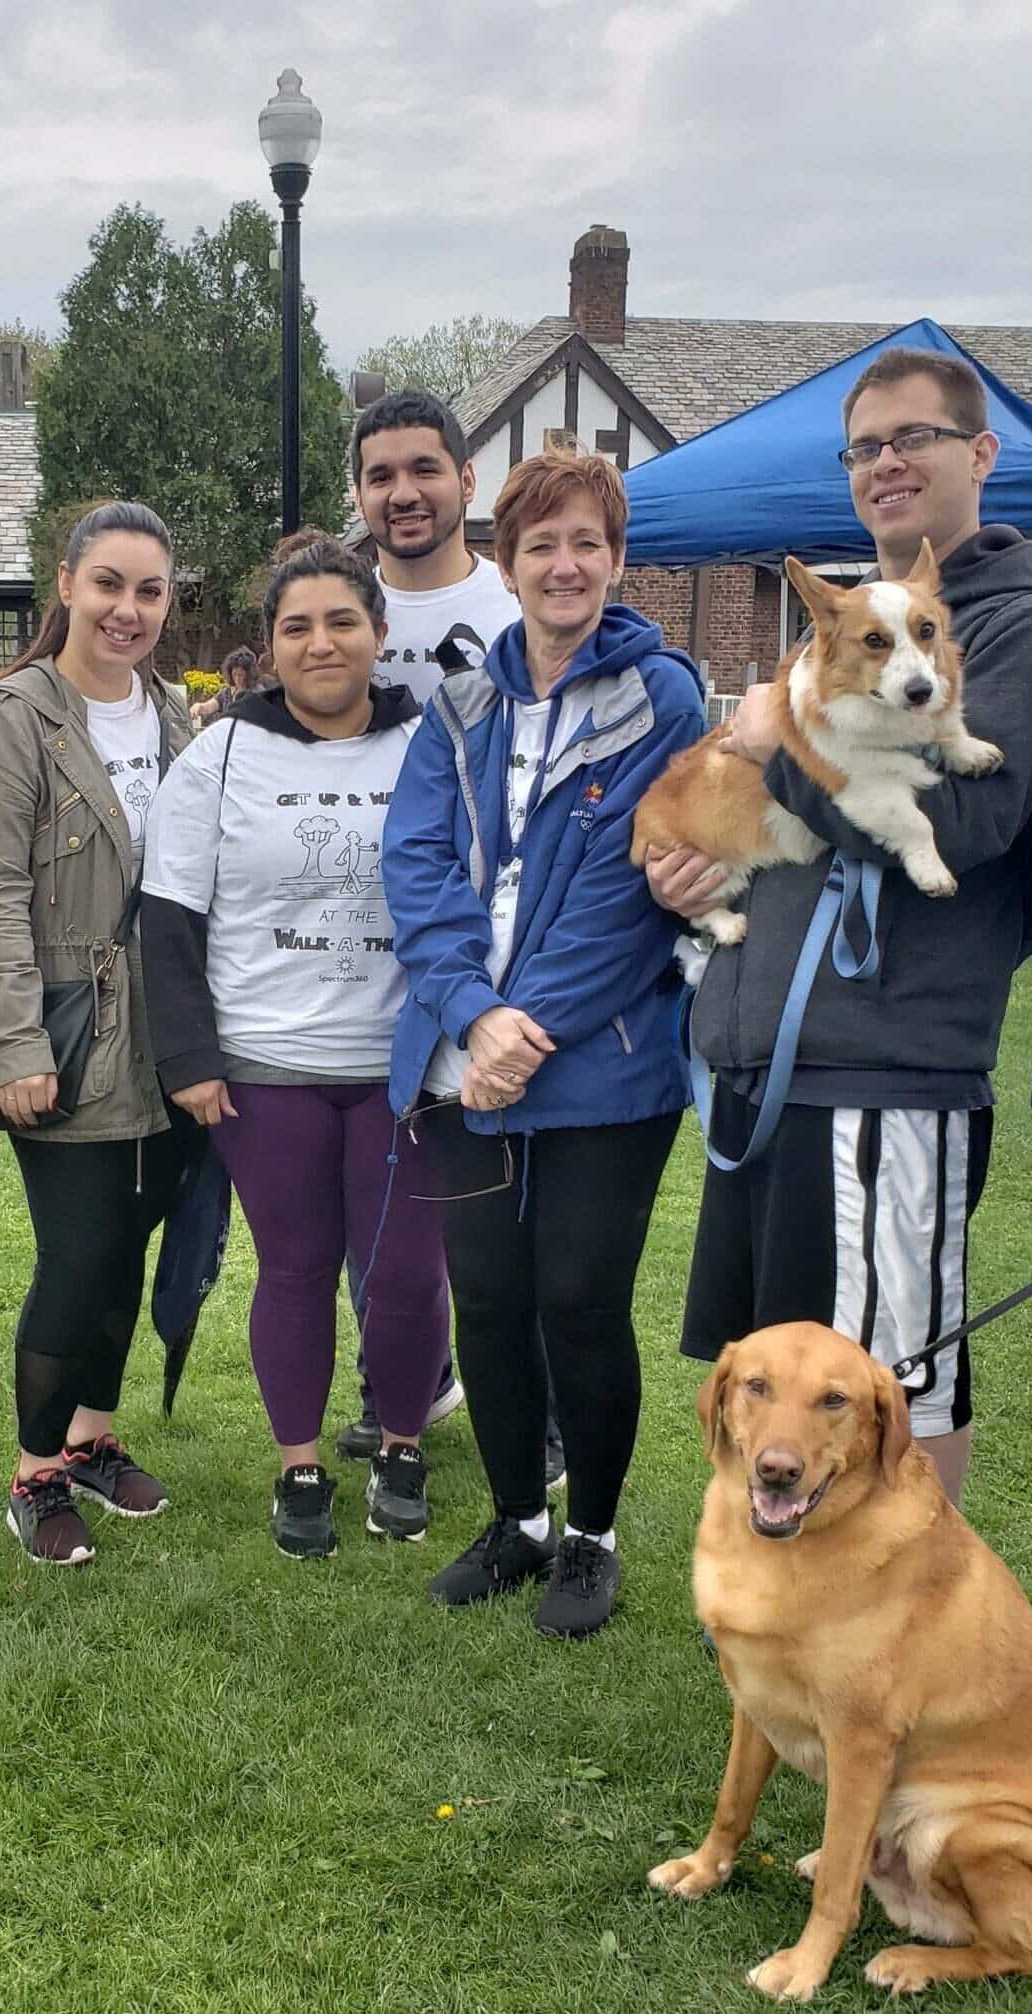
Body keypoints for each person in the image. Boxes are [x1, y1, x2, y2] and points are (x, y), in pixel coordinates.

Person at [649, 346, 1032, 1506]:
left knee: (890, 1382)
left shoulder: (1010, 619)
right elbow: (788, 806)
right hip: (781, 1052)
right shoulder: (853, 613)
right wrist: (701, 871)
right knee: (784, 1372)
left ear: (980, 453)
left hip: (886, 1060)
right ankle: (797, 1615)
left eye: (915, 438)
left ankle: (896, 1631)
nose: (887, 463)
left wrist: (765, 746)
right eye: (866, 445)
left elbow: (976, 816)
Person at [383, 449, 706, 1639]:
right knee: (488, 1292)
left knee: (577, 1297)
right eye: (540, 545)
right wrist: (471, 1009)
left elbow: (628, 889)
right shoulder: (461, 701)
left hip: (603, 1063)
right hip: (462, 1052)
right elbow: (414, 864)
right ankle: (518, 1516)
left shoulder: (661, 695)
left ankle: (593, 1533)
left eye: (586, 543)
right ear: (508, 564)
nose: (564, 565)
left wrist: (526, 1029)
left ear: (616, 560)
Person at [142, 533, 449, 1556]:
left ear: (377, 631)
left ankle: (402, 1443)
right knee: (295, 1267)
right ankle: (300, 1462)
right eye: (296, 626)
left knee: (406, 1274)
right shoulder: (219, 754)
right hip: (264, 1066)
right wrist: (187, 1056)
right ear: (268, 646)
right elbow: (170, 916)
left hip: (405, 1066)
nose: (321, 643)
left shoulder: (435, 744)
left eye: (341, 621)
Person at [0, 501, 195, 1567]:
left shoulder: (181, 720)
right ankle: (34, 1468)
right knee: (77, 1252)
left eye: (148, 590)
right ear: (65, 585)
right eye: (108, 584)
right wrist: (15, 1044)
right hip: (66, 1025)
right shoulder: (11, 716)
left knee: (134, 1241)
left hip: (171, 1033)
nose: (126, 609)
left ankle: (93, 1436)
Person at [337, 387, 543, 1474]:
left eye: (424, 469)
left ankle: (537, 1401)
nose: (402, 492)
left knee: (509, 1186)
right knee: (376, 1177)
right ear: (359, 492)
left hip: (495, 945)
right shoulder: (335, 606)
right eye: (380, 474)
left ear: (467, 479)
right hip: (358, 940)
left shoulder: (518, 612)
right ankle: (402, 1375)